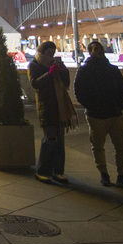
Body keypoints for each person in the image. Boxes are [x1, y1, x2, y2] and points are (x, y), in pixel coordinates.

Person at [74, 41, 123, 190]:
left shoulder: (109, 69)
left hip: (113, 112)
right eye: (95, 49)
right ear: (90, 51)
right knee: (101, 146)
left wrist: (120, 104)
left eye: (100, 48)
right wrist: (91, 105)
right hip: (98, 114)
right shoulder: (87, 70)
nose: (99, 51)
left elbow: (122, 88)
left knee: (119, 146)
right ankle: (105, 174)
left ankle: (120, 175)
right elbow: (79, 92)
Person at [29, 41, 77, 184]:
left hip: (59, 106)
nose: (51, 56)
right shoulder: (34, 65)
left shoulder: (53, 65)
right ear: (42, 52)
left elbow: (65, 84)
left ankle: (58, 171)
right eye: (49, 53)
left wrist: (63, 71)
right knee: (50, 139)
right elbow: (35, 84)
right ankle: (43, 171)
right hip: (46, 106)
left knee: (59, 140)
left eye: (53, 53)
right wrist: (49, 74)